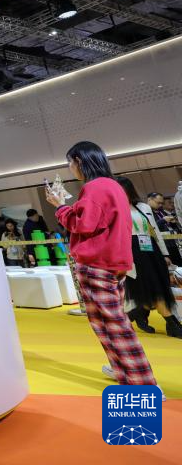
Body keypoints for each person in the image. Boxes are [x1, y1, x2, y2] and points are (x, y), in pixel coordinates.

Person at [48, 141, 160, 390]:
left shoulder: (94, 187)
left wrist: (60, 207)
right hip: (113, 262)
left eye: (70, 162)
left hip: (96, 263)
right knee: (107, 322)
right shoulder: (112, 186)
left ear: (79, 161)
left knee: (113, 325)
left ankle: (143, 382)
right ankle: (125, 371)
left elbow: (83, 224)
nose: (70, 168)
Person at [117, 178, 182, 338]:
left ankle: (138, 312)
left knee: (158, 284)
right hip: (132, 252)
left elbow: (155, 231)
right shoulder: (115, 209)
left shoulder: (143, 207)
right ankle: (171, 323)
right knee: (151, 285)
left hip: (151, 249)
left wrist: (164, 253)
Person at [148, 192, 182, 265]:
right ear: (150, 200)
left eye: (162, 203)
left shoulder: (161, 211)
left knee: (179, 263)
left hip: (173, 242)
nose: (160, 205)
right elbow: (150, 227)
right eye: (158, 203)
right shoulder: (147, 213)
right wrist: (163, 220)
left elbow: (168, 225)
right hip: (163, 244)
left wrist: (173, 222)